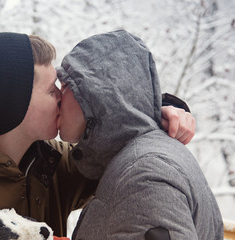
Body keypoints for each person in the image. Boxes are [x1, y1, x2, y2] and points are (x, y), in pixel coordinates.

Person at [0, 32, 195, 240]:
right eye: (50, 89)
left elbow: (115, 138)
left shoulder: (49, 162)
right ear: (11, 107)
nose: (62, 95)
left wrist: (161, 110)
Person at [56, 30, 223, 239]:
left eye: (66, 85)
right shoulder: (138, 160)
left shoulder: (144, 176)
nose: (58, 97)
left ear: (98, 94)